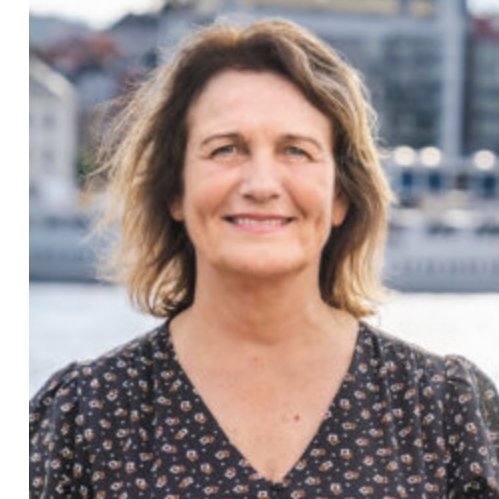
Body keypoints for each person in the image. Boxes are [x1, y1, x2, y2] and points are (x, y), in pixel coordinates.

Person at [30, 19, 499, 498]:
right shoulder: (80, 421)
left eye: (295, 151)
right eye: (226, 149)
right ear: (174, 190)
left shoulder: (446, 414)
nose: (260, 184)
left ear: (341, 195)